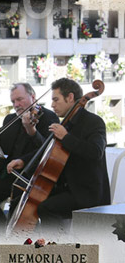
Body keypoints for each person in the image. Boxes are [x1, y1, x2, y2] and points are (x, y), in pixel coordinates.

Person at [26, 77, 111, 225]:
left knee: (46, 208)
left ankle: (58, 247)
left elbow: (95, 151)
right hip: (68, 187)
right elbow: (48, 152)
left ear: (70, 97)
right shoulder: (67, 123)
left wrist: (66, 137)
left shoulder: (94, 122)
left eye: (56, 100)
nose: (52, 105)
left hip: (87, 192)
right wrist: (22, 161)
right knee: (29, 198)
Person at [0, 83, 54, 229]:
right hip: (10, 176)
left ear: (33, 97)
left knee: (18, 196)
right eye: (13, 101)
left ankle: (15, 234)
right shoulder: (11, 119)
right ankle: (2, 232)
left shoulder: (48, 117)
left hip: (32, 178)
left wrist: (31, 130)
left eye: (20, 99)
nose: (16, 104)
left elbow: (47, 149)